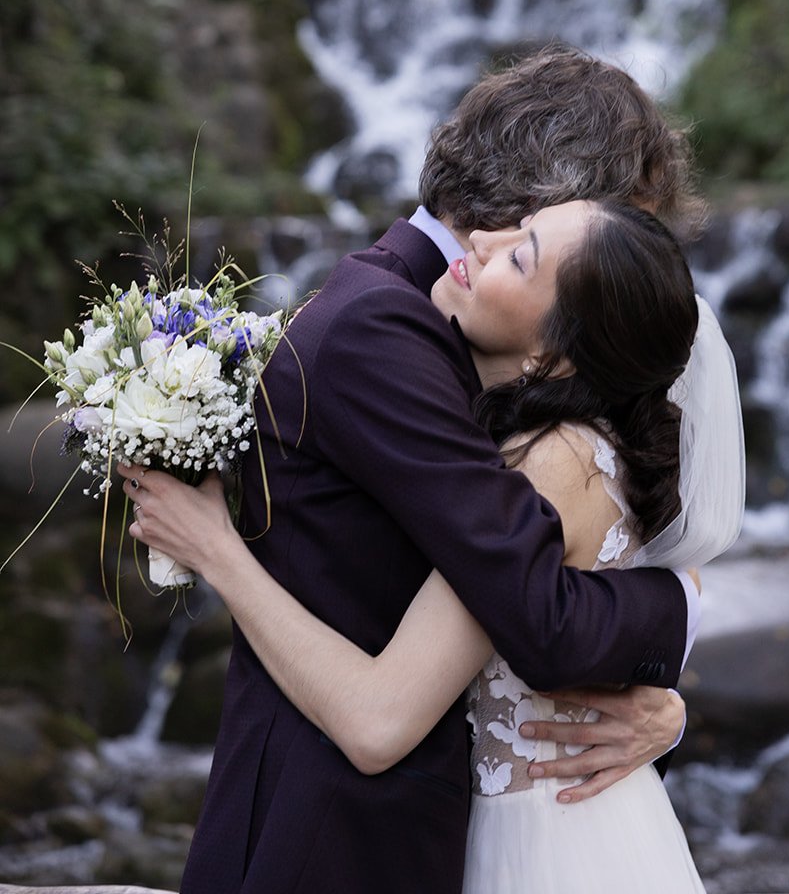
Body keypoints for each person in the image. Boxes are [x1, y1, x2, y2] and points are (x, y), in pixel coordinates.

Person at [142, 48, 717, 894]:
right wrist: (684, 606)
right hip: (331, 838)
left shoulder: (445, 321)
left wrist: (660, 711)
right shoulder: (387, 328)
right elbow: (536, 612)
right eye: (614, 225)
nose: (627, 260)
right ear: (548, 201)